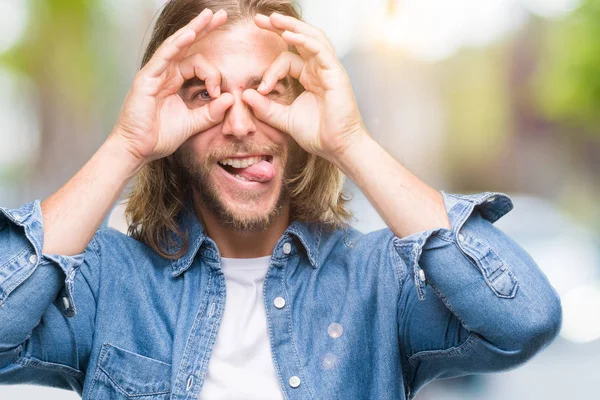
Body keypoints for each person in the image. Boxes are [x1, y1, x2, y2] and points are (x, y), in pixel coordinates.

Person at [0, 0, 562, 399]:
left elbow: (524, 319)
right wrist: (126, 145)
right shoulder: (111, 282)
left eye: (271, 90)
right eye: (204, 95)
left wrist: (351, 143)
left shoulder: (378, 280)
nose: (242, 123)